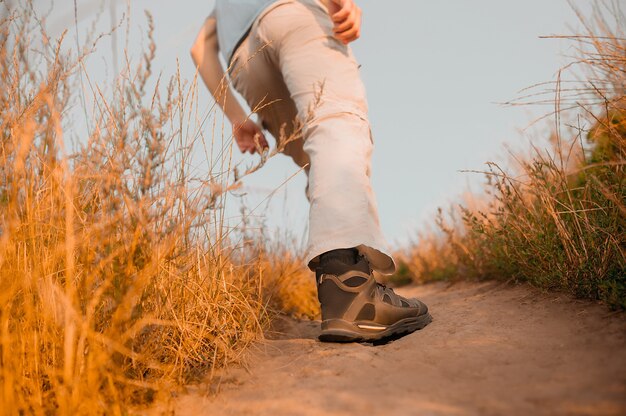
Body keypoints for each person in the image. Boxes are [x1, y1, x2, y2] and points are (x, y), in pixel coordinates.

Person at [191, 0, 431, 342]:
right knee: (337, 126)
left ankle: (353, 281)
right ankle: (351, 293)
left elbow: (199, 48)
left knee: (320, 160)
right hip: (293, 16)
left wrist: (236, 117)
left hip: (243, 62)